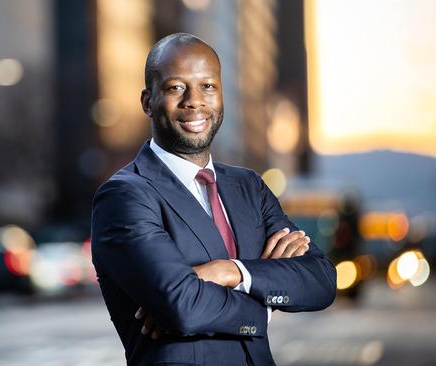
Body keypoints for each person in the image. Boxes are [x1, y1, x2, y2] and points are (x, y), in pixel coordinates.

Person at [91, 33, 336, 365]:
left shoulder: (248, 187)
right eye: (177, 87)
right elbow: (183, 306)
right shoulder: (125, 196)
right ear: (148, 102)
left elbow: (321, 280)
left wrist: (231, 271)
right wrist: (264, 296)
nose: (195, 101)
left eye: (207, 86)